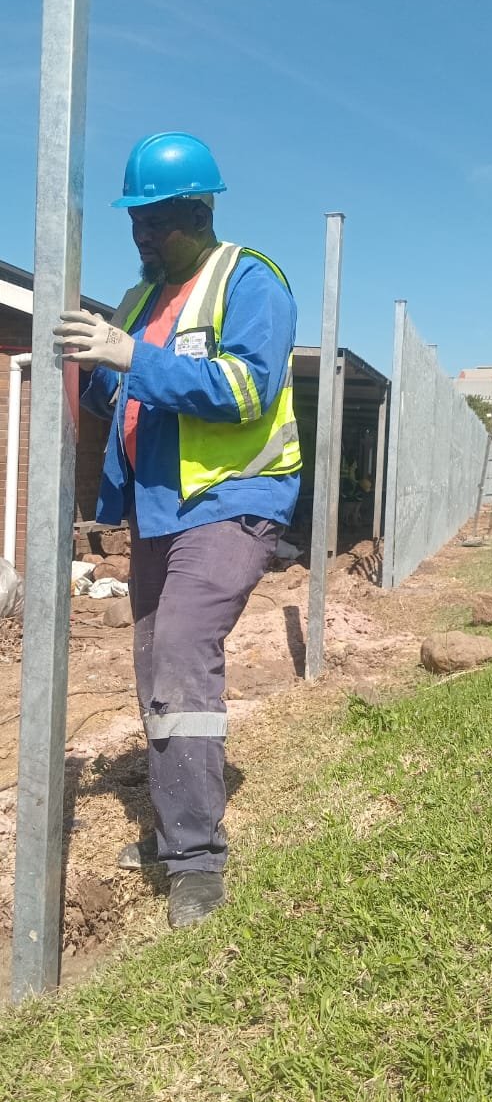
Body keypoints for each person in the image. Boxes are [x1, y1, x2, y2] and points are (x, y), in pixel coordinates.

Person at [54, 132, 301, 928]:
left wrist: (132, 355)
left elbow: (247, 388)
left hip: (230, 501)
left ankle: (197, 861)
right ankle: (174, 829)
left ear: (199, 214)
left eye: (156, 221)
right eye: (135, 221)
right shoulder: (136, 301)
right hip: (158, 510)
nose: (143, 235)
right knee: (153, 666)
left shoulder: (247, 279)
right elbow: (119, 397)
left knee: (181, 654)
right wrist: (89, 366)